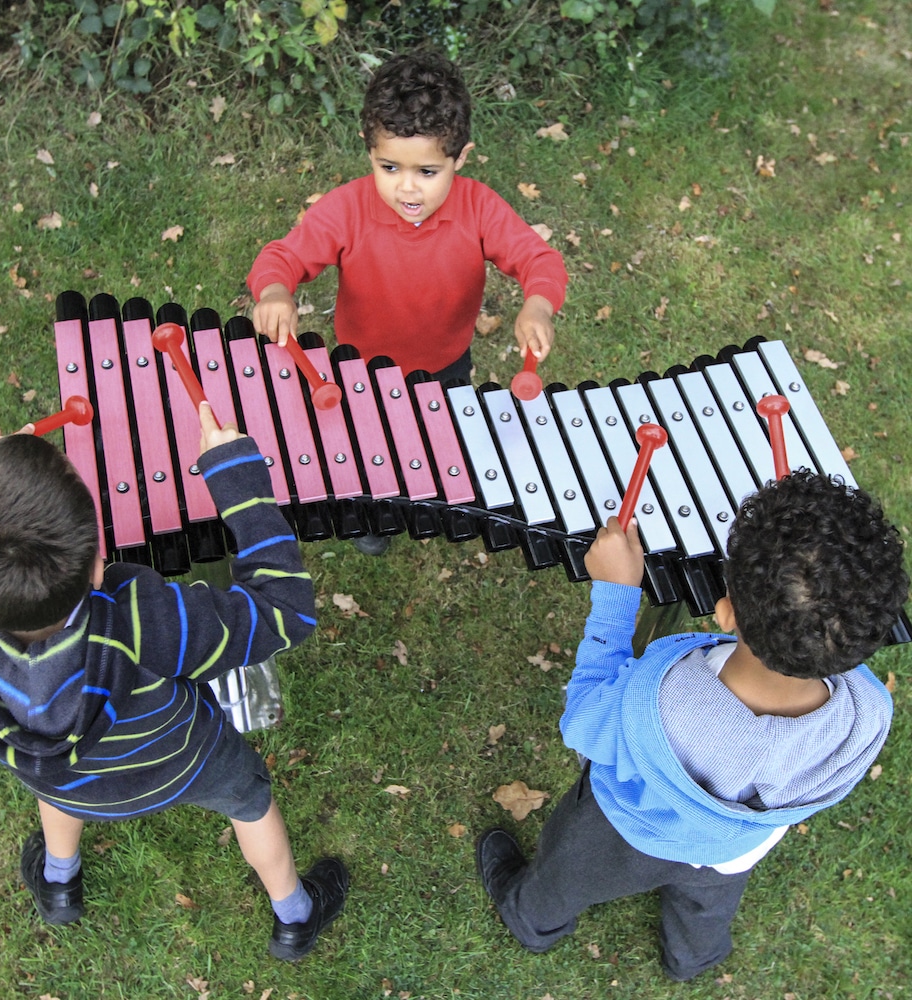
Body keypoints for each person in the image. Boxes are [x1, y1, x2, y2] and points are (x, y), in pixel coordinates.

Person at [0, 405, 347, 961]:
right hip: (190, 761)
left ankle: (60, 884)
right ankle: (294, 917)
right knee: (250, 801)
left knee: (58, 794)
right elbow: (287, 610)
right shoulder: (142, 621)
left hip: (64, 781)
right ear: (98, 565)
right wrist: (237, 479)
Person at [476, 470, 908, 981]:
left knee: (566, 873)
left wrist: (616, 595)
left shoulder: (663, 701)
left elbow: (585, 717)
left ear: (723, 612)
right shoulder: (869, 710)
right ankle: (692, 959)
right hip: (734, 850)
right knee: (708, 900)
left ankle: (531, 919)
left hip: (626, 835)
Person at [247, 50, 568, 554]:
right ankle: (374, 515)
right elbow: (282, 257)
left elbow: (540, 261)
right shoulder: (347, 209)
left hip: (446, 364)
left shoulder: (480, 208)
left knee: (437, 443)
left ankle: (431, 495)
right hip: (362, 369)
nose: (407, 187)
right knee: (366, 448)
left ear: (461, 157)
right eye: (389, 166)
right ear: (368, 149)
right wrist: (274, 291)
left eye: (428, 171)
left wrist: (539, 305)